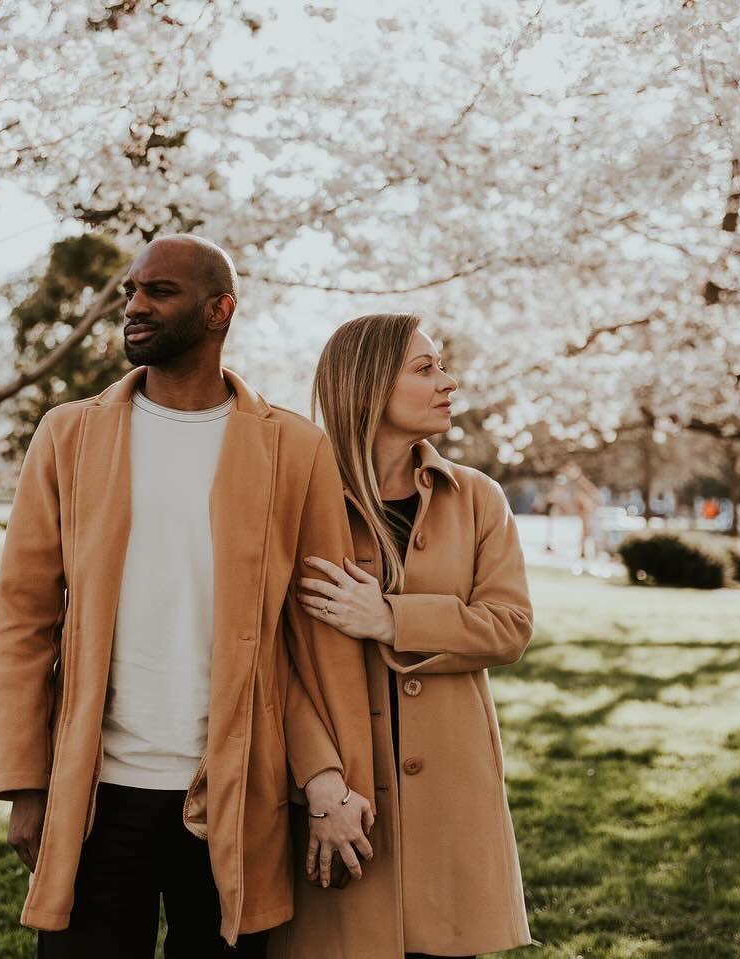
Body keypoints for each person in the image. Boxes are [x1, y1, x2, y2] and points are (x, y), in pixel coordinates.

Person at [0, 235, 375, 959]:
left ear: (219, 309)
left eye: (159, 292)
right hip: (97, 795)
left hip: (233, 791)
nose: (133, 305)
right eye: (131, 290)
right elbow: (23, 618)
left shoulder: (295, 448)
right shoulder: (68, 436)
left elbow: (317, 635)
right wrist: (23, 783)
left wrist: (336, 783)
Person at [269, 313, 534, 959]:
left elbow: (510, 625)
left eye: (441, 365)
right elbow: (274, 661)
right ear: (369, 384)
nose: (448, 381)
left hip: (451, 804)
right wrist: (321, 781)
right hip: (337, 801)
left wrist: (392, 618)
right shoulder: (296, 498)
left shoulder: (477, 497)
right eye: (426, 368)